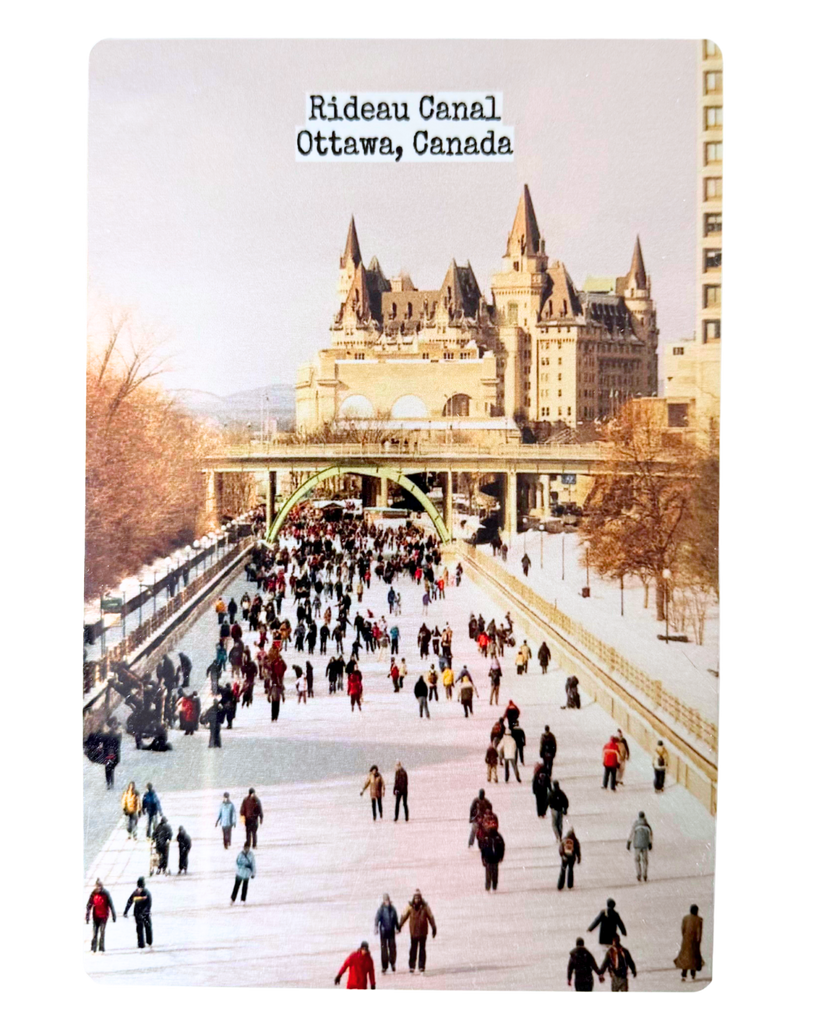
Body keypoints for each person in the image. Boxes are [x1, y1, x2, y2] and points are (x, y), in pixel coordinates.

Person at [399, 890, 437, 974]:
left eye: (418, 897)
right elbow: (404, 916)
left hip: (423, 932)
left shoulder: (425, 906)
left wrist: (434, 927)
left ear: (420, 898)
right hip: (413, 932)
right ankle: (412, 966)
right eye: (416, 898)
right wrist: (400, 925)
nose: (417, 899)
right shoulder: (409, 906)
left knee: (422, 950)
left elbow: (430, 916)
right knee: (413, 949)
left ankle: (421, 967)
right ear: (413, 898)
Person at [674, 905, 704, 981]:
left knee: (685, 957)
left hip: (686, 941)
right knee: (693, 958)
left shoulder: (685, 918)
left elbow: (683, 929)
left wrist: (685, 937)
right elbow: (699, 932)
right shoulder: (699, 919)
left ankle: (684, 974)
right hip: (694, 942)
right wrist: (698, 941)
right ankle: (693, 974)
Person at [86, 879, 116, 953]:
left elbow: (111, 904)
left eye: (99, 887)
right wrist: (87, 916)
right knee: (95, 933)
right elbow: (89, 905)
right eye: (97, 887)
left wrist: (114, 915)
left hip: (103, 916)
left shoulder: (106, 893)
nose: (98, 888)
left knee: (102, 932)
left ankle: (101, 948)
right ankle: (93, 948)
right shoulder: (93, 893)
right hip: (96, 916)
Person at [123, 877, 153, 949]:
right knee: (144, 927)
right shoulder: (143, 892)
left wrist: (126, 911)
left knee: (144, 927)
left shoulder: (141, 892)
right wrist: (126, 911)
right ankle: (144, 943)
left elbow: (130, 901)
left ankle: (145, 942)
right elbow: (130, 901)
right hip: (141, 913)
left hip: (141, 913)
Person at [374, 896, 401, 974]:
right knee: (384, 949)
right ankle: (384, 966)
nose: (387, 902)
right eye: (386, 901)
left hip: (391, 931)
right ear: (384, 901)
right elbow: (377, 919)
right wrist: (376, 927)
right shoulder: (381, 909)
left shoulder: (393, 909)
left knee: (392, 948)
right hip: (383, 931)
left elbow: (396, 919)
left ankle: (392, 963)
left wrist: (398, 928)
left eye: (388, 900)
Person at [478, 819, 505, 892]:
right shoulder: (486, 837)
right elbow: (482, 849)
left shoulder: (498, 837)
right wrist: (483, 859)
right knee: (488, 874)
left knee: (495, 874)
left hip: (495, 858)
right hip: (488, 858)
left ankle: (494, 887)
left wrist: (501, 856)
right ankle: (488, 887)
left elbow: (502, 847)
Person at [627, 811, 653, 882]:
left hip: (637, 845)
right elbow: (650, 835)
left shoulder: (636, 825)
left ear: (639, 816)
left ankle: (639, 874)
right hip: (645, 845)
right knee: (645, 861)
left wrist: (629, 842)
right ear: (644, 817)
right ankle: (645, 875)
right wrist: (650, 843)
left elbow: (632, 833)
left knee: (637, 860)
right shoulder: (647, 825)